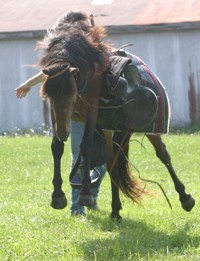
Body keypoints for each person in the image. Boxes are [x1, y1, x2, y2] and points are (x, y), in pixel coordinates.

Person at [15, 74, 106, 216]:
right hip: (78, 115)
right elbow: (51, 71)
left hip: (99, 114)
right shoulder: (68, 57)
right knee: (78, 158)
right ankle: (77, 208)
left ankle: (92, 197)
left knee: (103, 162)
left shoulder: (92, 56)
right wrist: (28, 83)